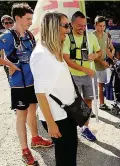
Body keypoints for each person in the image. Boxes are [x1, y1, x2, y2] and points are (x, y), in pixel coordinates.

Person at [0, 3, 53, 165]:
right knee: (21, 115)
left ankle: (35, 138)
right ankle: (24, 150)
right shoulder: (8, 36)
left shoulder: (28, 34)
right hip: (19, 84)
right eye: (28, 19)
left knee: (32, 110)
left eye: (31, 18)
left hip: (32, 81)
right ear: (17, 18)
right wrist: (9, 65)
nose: (31, 21)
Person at [30, 11, 78, 166]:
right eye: (65, 26)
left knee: (69, 153)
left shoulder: (53, 50)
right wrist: (51, 124)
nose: (69, 30)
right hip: (58, 117)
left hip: (67, 112)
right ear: (53, 27)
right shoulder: (42, 55)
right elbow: (40, 94)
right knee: (65, 158)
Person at [63, 11, 101, 141]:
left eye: (84, 25)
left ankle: (85, 128)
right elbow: (67, 59)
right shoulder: (67, 38)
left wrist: (95, 56)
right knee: (74, 103)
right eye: (79, 25)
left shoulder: (91, 37)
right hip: (74, 75)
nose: (82, 28)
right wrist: (85, 69)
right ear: (72, 24)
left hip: (90, 75)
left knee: (88, 101)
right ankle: (72, 128)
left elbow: (99, 52)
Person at [92, 16, 115, 112]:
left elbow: (106, 49)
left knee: (101, 85)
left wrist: (113, 59)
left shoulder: (106, 35)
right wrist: (102, 62)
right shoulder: (91, 36)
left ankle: (101, 104)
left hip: (103, 65)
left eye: (104, 26)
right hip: (93, 66)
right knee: (92, 88)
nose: (102, 28)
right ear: (95, 25)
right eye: (100, 26)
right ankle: (91, 109)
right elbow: (92, 53)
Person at [0, 15, 14, 79]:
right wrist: (2, 61)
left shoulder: (18, 33)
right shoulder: (2, 36)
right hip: (7, 62)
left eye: (10, 22)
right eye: (6, 23)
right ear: (3, 24)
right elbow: (1, 49)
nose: (9, 24)